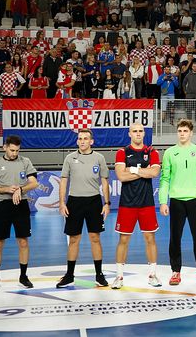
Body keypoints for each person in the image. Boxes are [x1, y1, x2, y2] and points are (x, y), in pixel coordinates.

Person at [159, 119, 196, 286]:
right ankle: (175, 272)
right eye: (180, 131)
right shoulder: (169, 152)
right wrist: (163, 201)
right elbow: (165, 179)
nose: (182, 134)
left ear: (191, 133)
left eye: (185, 131)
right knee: (175, 238)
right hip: (176, 201)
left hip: (195, 200)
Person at [56, 129, 111, 287]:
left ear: (91, 141)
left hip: (94, 201)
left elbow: (105, 181)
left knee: (95, 238)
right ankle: (69, 275)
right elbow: (64, 181)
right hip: (74, 202)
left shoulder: (99, 158)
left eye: (86, 138)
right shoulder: (69, 158)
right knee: (74, 239)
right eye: (80, 138)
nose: (82, 141)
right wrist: (62, 202)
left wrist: (107, 203)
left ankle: (99, 275)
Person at [0, 135, 38, 290]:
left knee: (23, 241)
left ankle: (23, 276)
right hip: (2, 206)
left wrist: (20, 189)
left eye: (17, 150)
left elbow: (34, 183)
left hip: (21, 205)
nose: (15, 153)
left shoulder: (25, 162)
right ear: (5, 147)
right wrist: (6, 189)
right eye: (12, 150)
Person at [112, 123, 162, 288]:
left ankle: (153, 275)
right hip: (127, 203)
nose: (138, 133)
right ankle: (119, 277)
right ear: (129, 134)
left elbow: (154, 173)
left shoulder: (152, 152)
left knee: (150, 238)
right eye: (135, 131)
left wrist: (132, 169)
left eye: (141, 131)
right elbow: (121, 176)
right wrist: (142, 171)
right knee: (124, 239)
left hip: (146, 203)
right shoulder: (122, 152)